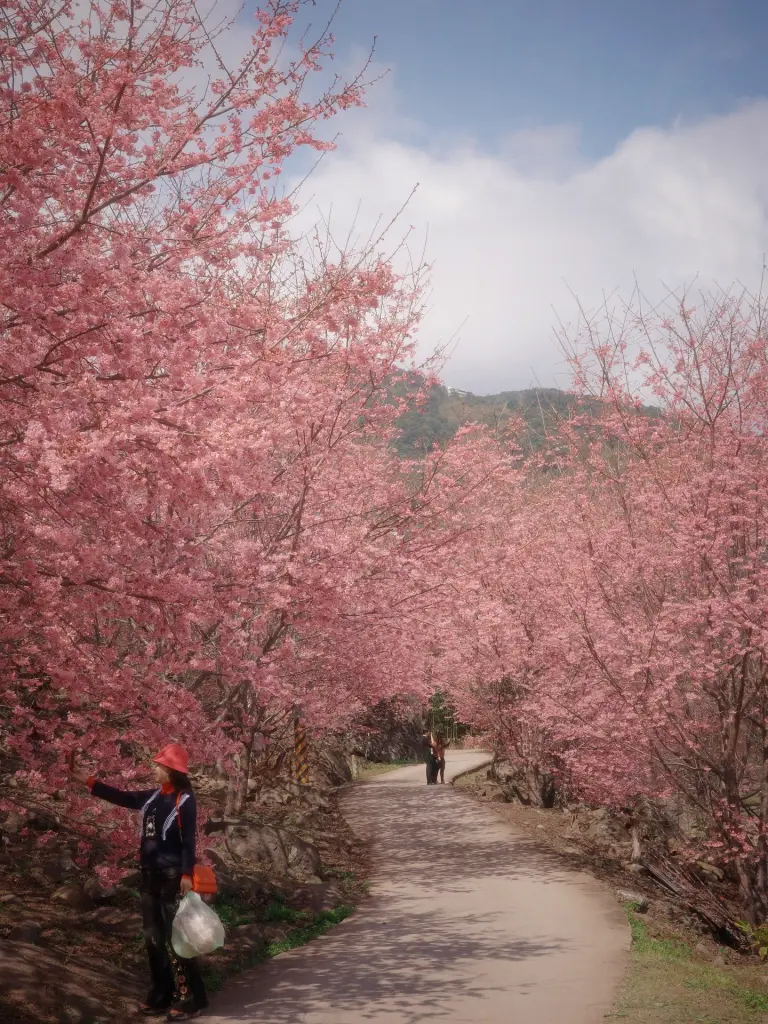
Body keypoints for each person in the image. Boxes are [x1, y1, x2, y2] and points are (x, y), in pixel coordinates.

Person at [71, 744, 208, 1021]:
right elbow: (123, 797)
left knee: (176, 938)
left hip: (172, 877)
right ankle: (161, 993)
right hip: (148, 876)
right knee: (152, 937)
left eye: (159, 766)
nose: (154, 769)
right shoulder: (153, 796)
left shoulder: (185, 800)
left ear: (170, 771)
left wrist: (185, 875)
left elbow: (188, 841)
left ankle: (191, 996)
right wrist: (86, 780)